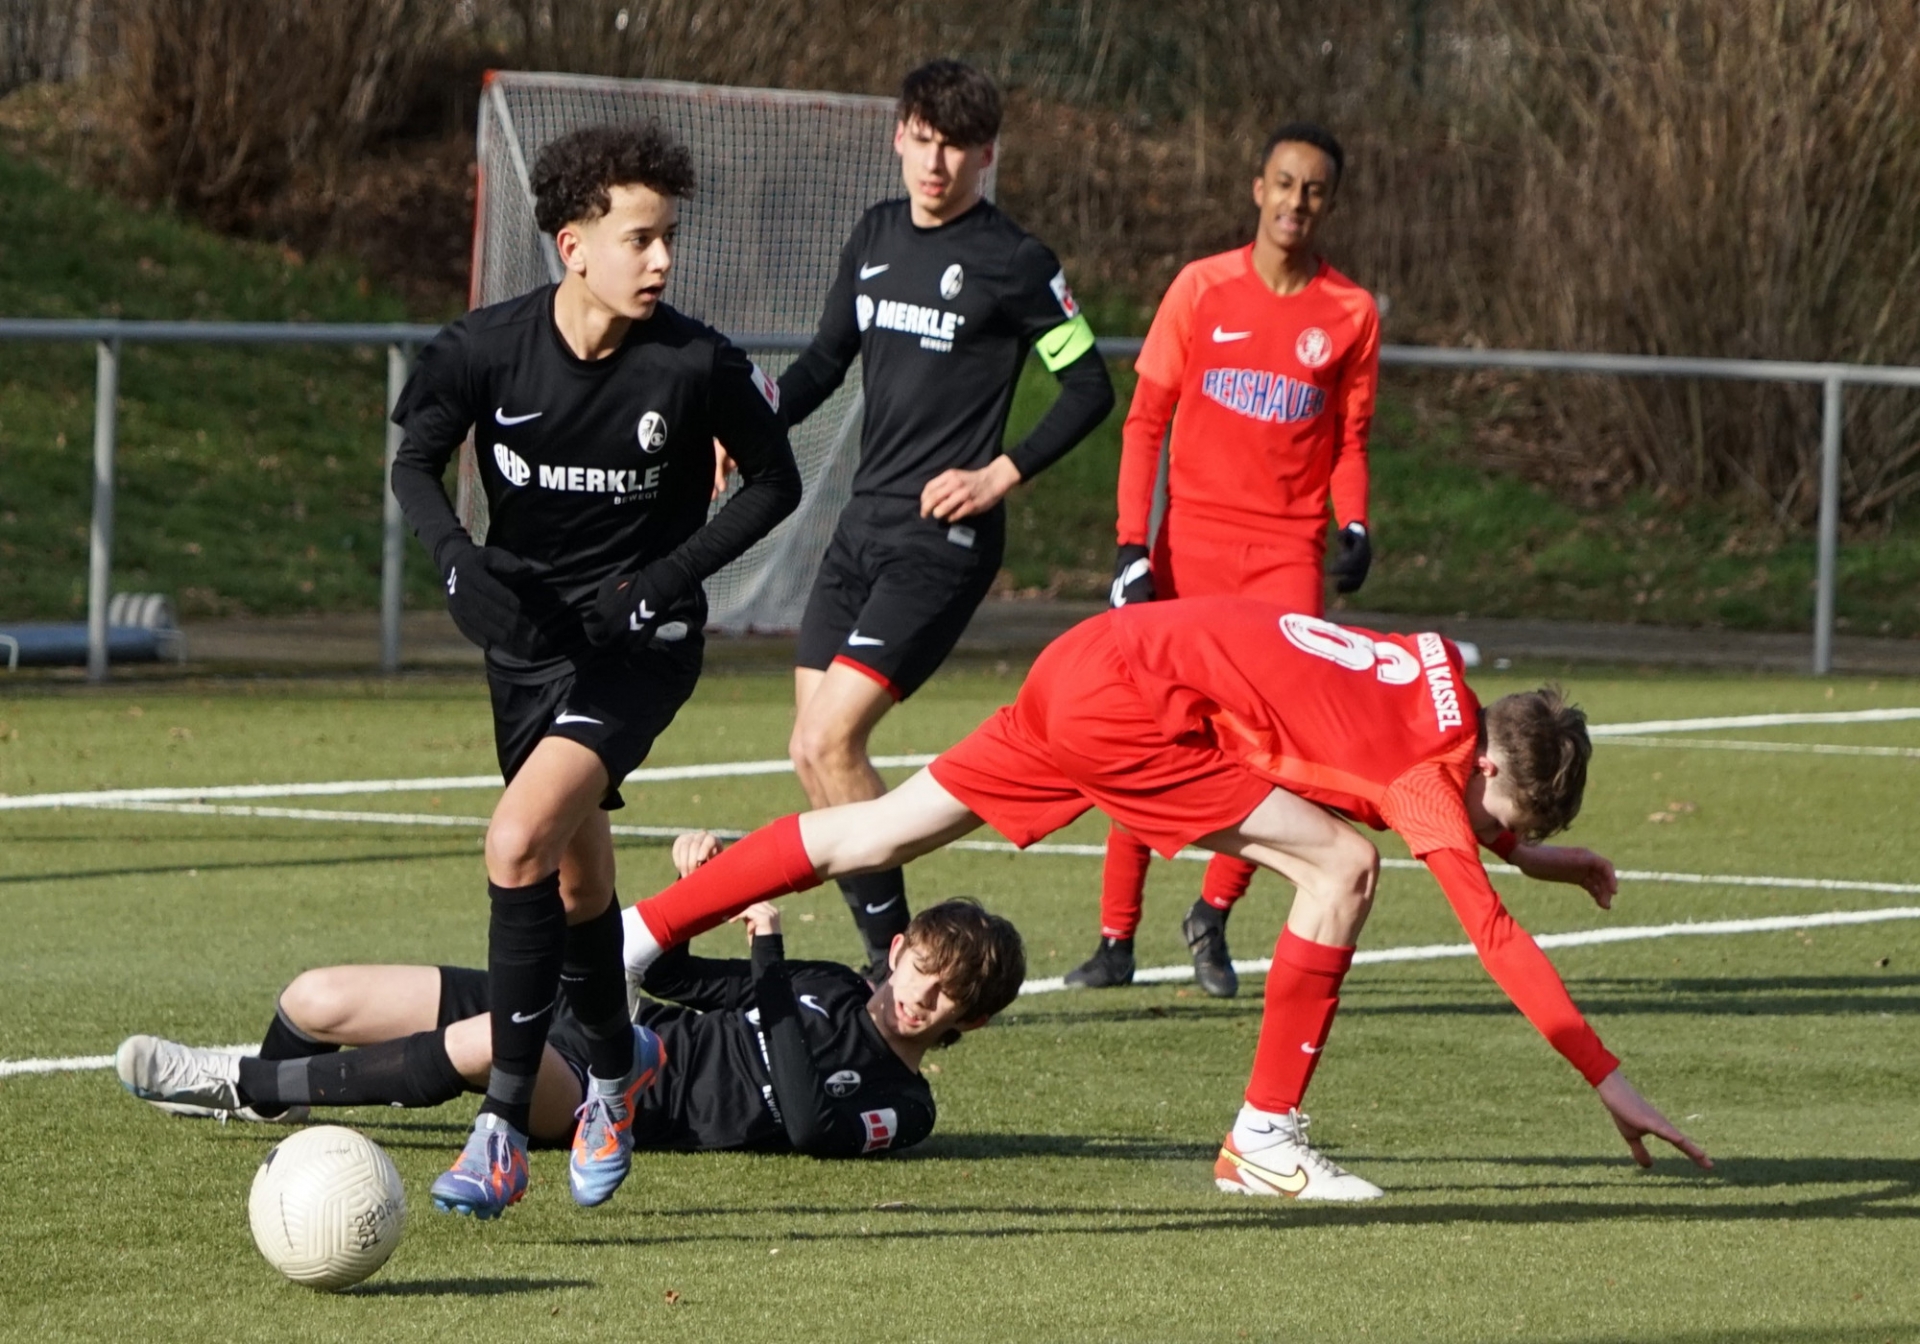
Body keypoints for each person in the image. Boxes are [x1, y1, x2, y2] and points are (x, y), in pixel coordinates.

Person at [616, 600, 1713, 1200]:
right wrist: (1608, 1079)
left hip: (1095, 656)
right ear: (1488, 768)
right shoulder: (1437, 779)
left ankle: (632, 936)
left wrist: (1535, 854)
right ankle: (1264, 1137)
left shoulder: (1441, 686)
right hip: (1135, 712)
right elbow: (1491, 932)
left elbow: (1439, 787)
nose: (1483, 836)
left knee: (873, 830)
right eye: (1499, 819)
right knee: (1342, 868)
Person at [386, 122, 802, 1217]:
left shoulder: (696, 363)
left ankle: (501, 1130)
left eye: (669, 239)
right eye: (639, 239)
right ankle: (620, 1069)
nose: (662, 260)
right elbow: (414, 460)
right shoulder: (484, 349)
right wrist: (454, 560)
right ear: (572, 246)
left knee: (516, 841)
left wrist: (663, 580)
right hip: (526, 648)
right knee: (575, 884)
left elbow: (776, 482)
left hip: (638, 649)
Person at [779, 58, 1116, 976]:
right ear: (899, 136)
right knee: (810, 754)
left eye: (957, 147)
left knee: (830, 740)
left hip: (941, 541)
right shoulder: (876, 234)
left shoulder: (1016, 261)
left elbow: (1089, 386)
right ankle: (893, 959)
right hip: (861, 527)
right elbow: (822, 365)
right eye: (923, 140)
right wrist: (747, 428)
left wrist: (999, 473)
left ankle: (899, 964)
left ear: (986, 155)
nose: (936, 163)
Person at [114, 834, 1026, 1165]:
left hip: (617, 1094)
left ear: (972, 1021)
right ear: (898, 951)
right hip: (594, 1014)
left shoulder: (906, 1105)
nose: (922, 997)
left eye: (949, 995)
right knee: (316, 995)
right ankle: (287, 1094)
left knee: (485, 1045)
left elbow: (805, 1123)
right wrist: (700, 891)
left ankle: (243, 1085)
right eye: (922, 969)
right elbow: (670, 980)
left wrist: (768, 954)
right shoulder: (828, 983)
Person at [1073, 122, 1380, 999]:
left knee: (1273, 746)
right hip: (1191, 547)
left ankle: (1212, 911)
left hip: (1286, 556)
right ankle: (1116, 938)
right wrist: (1132, 544)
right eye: (1284, 182)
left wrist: (1355, 524)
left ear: (1330, 204)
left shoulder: (1351, 313)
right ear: (1258, 188)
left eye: (1313, 189)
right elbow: (1145, 423)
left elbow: (1350, 442)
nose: (1296, 202)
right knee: (1150, 727)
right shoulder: (1200, 288)